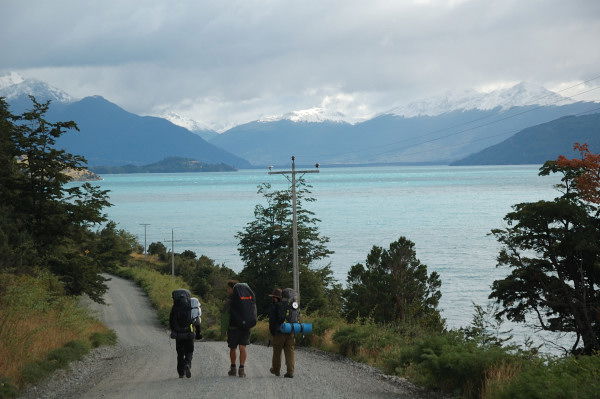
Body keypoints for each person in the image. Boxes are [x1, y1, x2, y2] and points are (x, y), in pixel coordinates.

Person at [221, 279, 252, 378]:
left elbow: (225, 317)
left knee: (233, 348)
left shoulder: (230, 301)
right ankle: (241, 369)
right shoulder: (248, 299)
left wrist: (223, 331)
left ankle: (233, 368)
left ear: (232, 289)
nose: (227, 290)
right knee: (242, 347)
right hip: (245, 327)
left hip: (233, 327)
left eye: (228, 288)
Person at [268, 288, 295, 378]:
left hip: (279, 332)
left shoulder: (275, 305)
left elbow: (272, 321)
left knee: (277, 351)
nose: (272, 299)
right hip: (290, 330)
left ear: (277, 297)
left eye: (273, 297)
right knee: (289, 351)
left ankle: (276, 370)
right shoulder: (291, 305)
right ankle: (290, 371)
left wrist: (272, 332)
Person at [169, 289, 195, 379]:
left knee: (180, 354)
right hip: (189, 333)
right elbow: (196, 320)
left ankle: (181, 373)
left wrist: (173, 331)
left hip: (178, 334)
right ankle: (187, 364)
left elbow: (171, 321)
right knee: (189, 351)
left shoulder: (175, 307)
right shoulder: (191, 306)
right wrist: (197, 332)